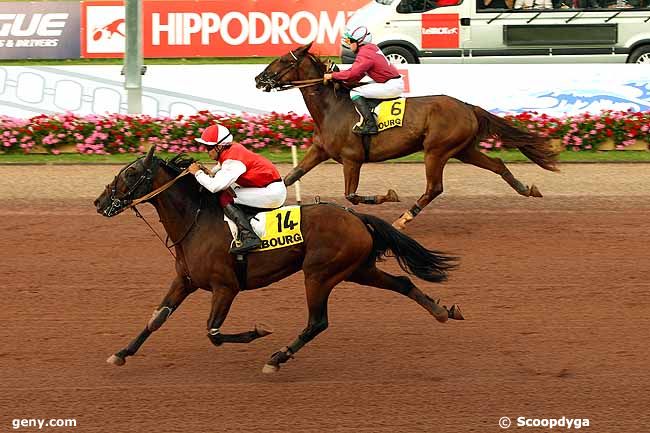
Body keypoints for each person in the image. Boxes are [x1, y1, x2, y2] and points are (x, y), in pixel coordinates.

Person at [188, 123, 287, 254]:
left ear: (219, 146)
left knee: (225, 196)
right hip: (266, 188)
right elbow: (218, 174)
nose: (206, 150)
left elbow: (214, 186)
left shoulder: (233, 160)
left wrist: (197, 173)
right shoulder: (230, 151)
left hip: (273, 193)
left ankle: (250, 237)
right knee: (228, 191)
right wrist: (207, 172)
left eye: (209, 147)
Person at [323, 26, 405, 135]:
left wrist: (332, 75)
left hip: (391, 85)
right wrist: (338, 74)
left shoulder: (365, 53)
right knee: (360, 87)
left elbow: (353, 74)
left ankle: (370, 125)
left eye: (351, 41)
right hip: (391, 83)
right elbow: (356, 75)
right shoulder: (370, 48)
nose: (349, 44)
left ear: (359, 42)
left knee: (355, 92)